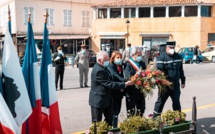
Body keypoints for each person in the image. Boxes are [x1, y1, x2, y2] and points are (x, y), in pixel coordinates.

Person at [89, 50, 134, 126]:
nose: (108, 61)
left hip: (107, 99)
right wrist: (125, 84)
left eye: (108, 59)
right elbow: (109, 84)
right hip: (98, 101)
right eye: (106, 60)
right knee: (97, 124)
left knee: (109, 120)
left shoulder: (103, 66)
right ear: (99, 60)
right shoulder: (98, 70)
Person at [153, 41, 186, 117]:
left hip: (175, 85)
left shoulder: (178, 57)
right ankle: (155, 119)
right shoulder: (161, 57)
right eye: (170, 48)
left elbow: (181, 70)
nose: (172, 49)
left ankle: (178, 119)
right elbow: (159, 70)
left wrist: (183, 81)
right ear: (166, 48)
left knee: (176, 102)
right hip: (165, 86)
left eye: (173, 48)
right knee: (160, 102)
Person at [124, 47, 146, 117]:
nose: (140, 57)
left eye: (140, 55)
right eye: (138, 55)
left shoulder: (142, 63)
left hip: (141, 91)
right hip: (131, 91)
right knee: (131, 112)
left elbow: (146, 73)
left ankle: (139, 126)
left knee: (141, 110)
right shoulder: (128, 64)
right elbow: (128, 77)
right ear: (133, 54)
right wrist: (137, 75)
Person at [107, 51, 125, 128]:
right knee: (114, 111)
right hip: (113, 92)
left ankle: (115, 127)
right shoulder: (110, 66)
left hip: (119, 92)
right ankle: (113, 127)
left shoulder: (120, 66)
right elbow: (115, 75)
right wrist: (126, 81)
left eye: (120, 57)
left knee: (117, 111)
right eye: (117, 58)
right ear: (113, 58)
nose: (119, 59)